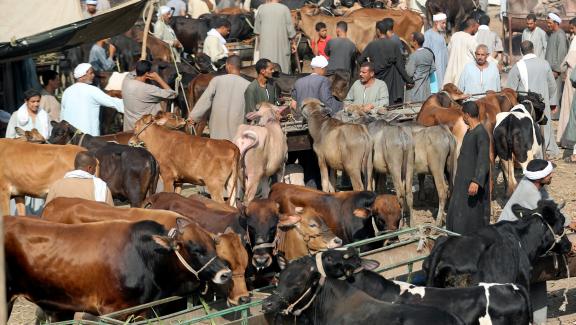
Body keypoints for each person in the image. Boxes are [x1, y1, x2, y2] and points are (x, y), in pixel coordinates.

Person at [496, 159, 570, 325]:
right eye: (549, 173)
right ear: (540, 178)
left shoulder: (534, 185)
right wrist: (569, 223)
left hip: (525, 242)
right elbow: (550, 213)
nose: (552, 175)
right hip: (509, 245)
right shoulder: (530, 192)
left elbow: (552, 205)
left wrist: (568, 220)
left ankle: (539, 320)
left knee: (537, 276)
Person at [507, 41, 560, 159]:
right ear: (533, 49)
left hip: (526, 106)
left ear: (521, 51)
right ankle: (545, 153)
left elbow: (510, 90)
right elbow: (552, 86)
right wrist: (552, 103)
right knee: (543, 127)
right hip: (542, 105)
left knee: (528, 129)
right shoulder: (545, 64)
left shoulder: (517, 67)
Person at [446, 101, 490, 235]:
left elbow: (483, 159)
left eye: (463, 115)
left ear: (467, 115)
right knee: (459, 211)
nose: (463, 118)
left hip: (472, 183)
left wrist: (476, 181)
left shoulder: (481, 133)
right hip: (463, 181)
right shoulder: (470, 131)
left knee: (472, 214)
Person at [190, 55, 250, 140]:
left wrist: (193, 117)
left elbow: (205, 100)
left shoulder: (217, 80)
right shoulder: (248, 85)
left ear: (228, 65)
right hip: (238, 132)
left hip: (217, 130)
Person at [60, 63, 124, 136]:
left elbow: (62, 116)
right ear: (83, 76)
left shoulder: (67, 92)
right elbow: (114, 103)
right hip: (88, 138)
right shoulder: (92, 90)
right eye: (91, 73)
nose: (93, 75)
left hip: (71, 138)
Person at [360, 21, 412, 104]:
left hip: (377, 79)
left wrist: (370, 68)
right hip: (391, 81)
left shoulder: (372, 45)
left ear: (378, 31)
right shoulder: (393, 44)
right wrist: (409, 80)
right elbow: (400, 66)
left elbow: (360, 59)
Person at [121, 60, 177, 131]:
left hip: (128, 128)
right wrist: (158, 79)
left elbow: (131, 73)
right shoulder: (148, 89)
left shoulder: (126, 80)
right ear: (147, 74)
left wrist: (142, 67)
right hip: (144, 130)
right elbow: (173, 94)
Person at [45, 151, 114, 206]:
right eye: (95, 167)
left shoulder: (57, 185)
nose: (95, 171)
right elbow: (110, 214)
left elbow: (47, 211)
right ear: (89, 168)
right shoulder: (101, 187)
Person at [254, 0, 297, 74]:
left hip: (266, 48)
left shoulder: (261, 9)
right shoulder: (284, 9)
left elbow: (257, 31)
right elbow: (290, 30)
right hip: (281, 47)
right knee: (283, 70)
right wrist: (293, 43)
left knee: (266, 68)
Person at [545, 12, 569, 120]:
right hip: (550, 70)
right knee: (550, 93)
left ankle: (555, 117)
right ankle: (551, 115)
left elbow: (562, 55)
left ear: (555, 22)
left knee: (556, 93)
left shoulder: (560, 35)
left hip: (556, 72)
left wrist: (557, 71)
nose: (548, 25)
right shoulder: (552, 34)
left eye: (549, 23)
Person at [443, 17, 479, 86]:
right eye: (476, 28)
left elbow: (448, 51)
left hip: (451, 71)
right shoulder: (471, 39)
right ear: (472, 26)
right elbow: (478, 54)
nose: (477, 30)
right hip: (465, 73)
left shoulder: (454, 36)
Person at [558, 18, 576, 144]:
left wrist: (563, 67)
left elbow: (571, 60)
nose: (571, 31)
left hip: (573, 77)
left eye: (573, 28)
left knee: (571, 107)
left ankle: (570, 141)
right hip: (571, 75)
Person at [405, 32, 435, 102]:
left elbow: (409, 73)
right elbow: (432, 69)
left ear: (415, 42)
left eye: (411, 40)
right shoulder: (429, 53)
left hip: (415, 92)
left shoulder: (414, 56)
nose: (409, 42)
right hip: (426, 91)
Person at [423, 12, 448, 88]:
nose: (445, 25)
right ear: (436, 22)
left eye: (445, 23)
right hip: (434, 70)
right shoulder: (428, 35)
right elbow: (426, 52)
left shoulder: (441, 35)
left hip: (443, 68)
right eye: (443, 23)